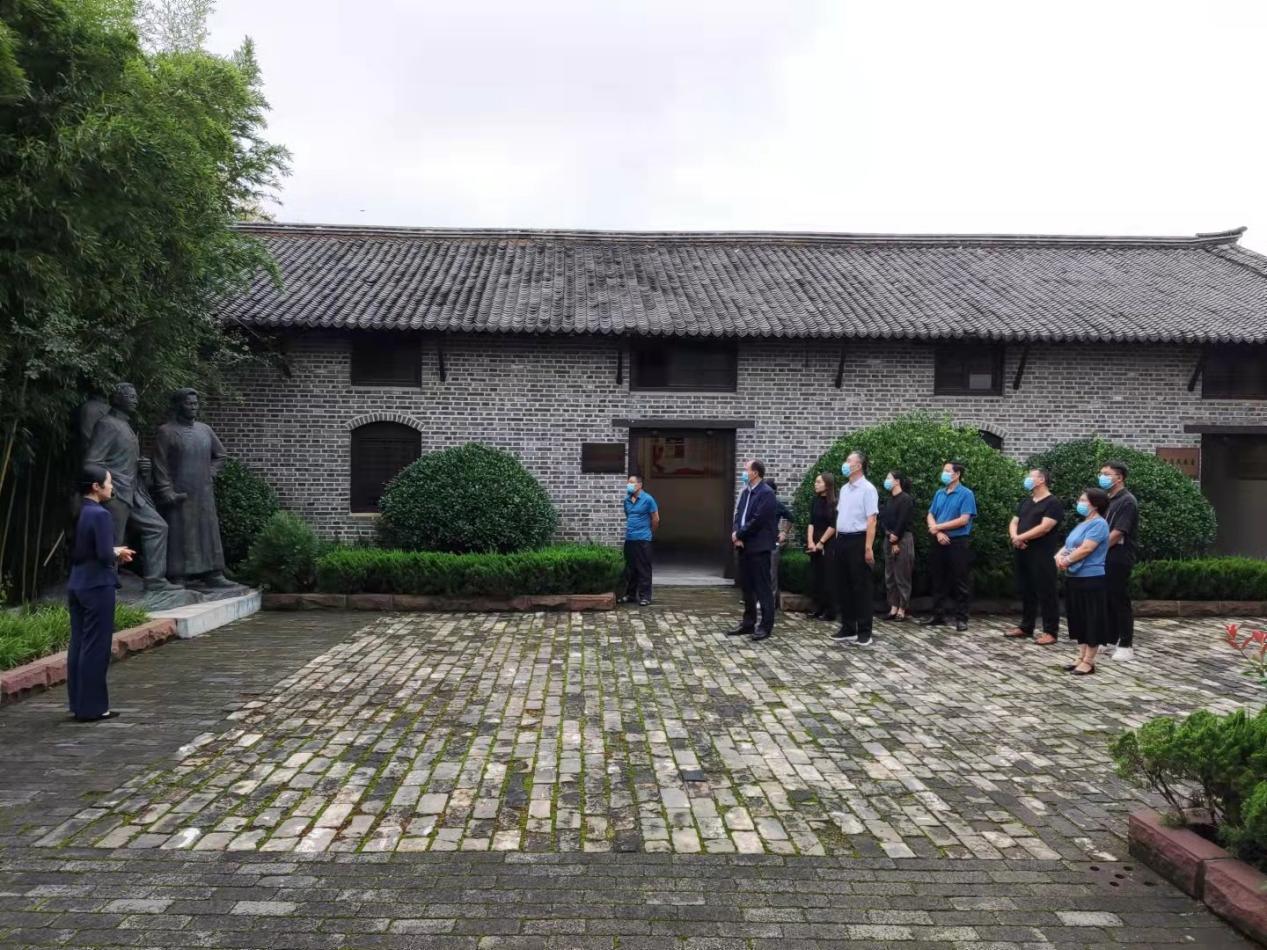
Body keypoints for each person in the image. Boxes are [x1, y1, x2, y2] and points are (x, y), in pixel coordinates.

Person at [83, 382, 181, 593]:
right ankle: (104, 586)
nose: (135, 399)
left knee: (157, 527)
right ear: (116, 399)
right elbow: (91, 462)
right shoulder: (107, 424)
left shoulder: (126, 426)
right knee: (113, 541)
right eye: (130, 395)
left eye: (135, 395)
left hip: (133, 490)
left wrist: (142, 467)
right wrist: (107, 485)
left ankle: (155, 580)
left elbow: (123, 459)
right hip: (115, 491)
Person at [67, 465, 134, 722]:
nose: (112, 486)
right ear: (96, 487)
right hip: (97, 585)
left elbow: (83, 550)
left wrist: (112, 551)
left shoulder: (78, 511)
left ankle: (78, 704)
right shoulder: (100, 514)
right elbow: (105, 555)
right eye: (109, 482)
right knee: (96, 646)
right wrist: (117, 552)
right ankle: (93, 708)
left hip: (77, 582)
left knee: (79, 643)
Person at [1056, 487, 1112, 675]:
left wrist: (1066, 561)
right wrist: (1058, 556)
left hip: (1091, 577)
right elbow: (1069, 545)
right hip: (1074, 577)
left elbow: (1086, 548)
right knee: (1078, 618)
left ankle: (1089, 661)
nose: (1079, 503)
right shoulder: (1082, 524)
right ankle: (1080, 656)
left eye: (1083, 500)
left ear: (1095, 505)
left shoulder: (1099, 524)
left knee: (1091, 619)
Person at [1006, 468, 1065, 645]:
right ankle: (1026, 626)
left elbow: (1045, 527)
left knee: (1046, 591)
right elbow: (1014, 521)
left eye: (1030, 476)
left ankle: (1050, 631)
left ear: (1041, 480)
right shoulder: (1026, 501)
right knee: (1027, 590)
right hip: (1023, 551)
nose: (1027, 479)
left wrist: (1021, 537)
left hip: (1042, 554)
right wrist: (1015, 537)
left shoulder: (1053, 503)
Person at [724, 459, 780, 641]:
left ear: (755, 473)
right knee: (747, 587)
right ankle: (748, 623)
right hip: (744, 546)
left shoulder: (766, 493)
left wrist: (740, 534)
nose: (744, 472)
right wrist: (736, 533)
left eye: (746, 469)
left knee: (762, 588)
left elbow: (758, 520)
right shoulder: (746, 492)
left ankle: (765, 626)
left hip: (759, 547)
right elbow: (738, 515)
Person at [919, 461, 978, 632]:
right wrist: (937, 532)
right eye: (943, 470)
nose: (944, 473)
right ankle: (938, 615)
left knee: (960, 580)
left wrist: (938, 527)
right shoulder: (939, 493)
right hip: (938, 540)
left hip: (957, 541)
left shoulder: (966, 494)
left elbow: (963, 519)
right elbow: (931, 514)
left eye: (947, 470)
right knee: (938, 578)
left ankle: (961, 618)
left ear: (957, 474)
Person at [831, 451, 879, 646]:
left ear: (858, 466)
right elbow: (841, 515)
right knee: (844, 586)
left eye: (849, 461)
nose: (845, 463)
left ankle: (864, 631)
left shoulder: (868, 489)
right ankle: (848, 627)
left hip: (858, 540)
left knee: (861, 587)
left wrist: (868, 547)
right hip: (842, 539)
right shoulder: (844, 489)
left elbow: (872, 520)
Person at [1099, 461, 1139, 661]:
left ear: (1119, 477)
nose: (1102, 477)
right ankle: (1109, 638)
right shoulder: (1108, 500)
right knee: (1106, 599)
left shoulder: (1127, 501)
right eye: (1101, 473)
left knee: (1119, 599)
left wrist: (1095, 550)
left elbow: (1118, 533)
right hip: (1104, 556)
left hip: (1118, 556)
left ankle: (1126, 644)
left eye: (1106, 474)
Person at [618, 473, 659, 606]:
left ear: (640, 485)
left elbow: (655, 519)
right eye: (628, 483)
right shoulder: (627, 500)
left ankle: (645, 597)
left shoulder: (648, 499)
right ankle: (630, 595)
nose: (629, 485)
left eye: (632, 483)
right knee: (630, 568)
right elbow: (628, 515)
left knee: (644, 569)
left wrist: (649, 533)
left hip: (643, 539)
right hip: (630, 539)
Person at [879, 470, 914, 622]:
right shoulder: (888, 500)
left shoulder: (906, 499)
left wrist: (895, 539)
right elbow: (883, 520)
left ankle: (902, 608)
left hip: (903, 539)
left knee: (902, 575)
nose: (886, 480)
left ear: (897, 481)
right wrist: (889, 535)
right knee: (890, 575)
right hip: (889, 538)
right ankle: (893, 606)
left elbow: (903, 520)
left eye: (889, 478)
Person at [805, 473, 837, 621]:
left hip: (828, 542)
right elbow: (811, 522)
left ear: (827, 484)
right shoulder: (815, 501)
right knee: (816, 577)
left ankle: (829, 610)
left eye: (818, 482)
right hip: (815, 541)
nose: (815, 484)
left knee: (828, 577)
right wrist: (810, 541)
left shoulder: (834, 503)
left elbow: (833, 525)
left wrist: (821, 542)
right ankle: (817, 608)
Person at [766, 480, 795, 614]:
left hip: (773, 542)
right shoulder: (760, 504)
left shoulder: (777, 505)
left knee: (772, 573)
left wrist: (784, 532)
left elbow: (791, 517)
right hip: (760, 543)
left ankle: (771, 602)